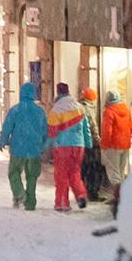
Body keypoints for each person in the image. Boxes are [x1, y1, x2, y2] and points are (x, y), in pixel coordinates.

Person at [0, 81, 47, 211]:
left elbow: (7, 127)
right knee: (32, 176)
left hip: (18, 148)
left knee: (14, 172)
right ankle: (30, 202)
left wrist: (2, 140)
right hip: (34, 150)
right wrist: (43, 145)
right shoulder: (40, 112)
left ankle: (19, 193)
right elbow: (44, 131)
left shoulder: (15, 110)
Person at [47, 82, 89, 213]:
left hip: (62, 146)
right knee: (75, 172)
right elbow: (86, 129)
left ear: (58, 93)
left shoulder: (56, 110)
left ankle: (62, 202)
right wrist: (88, 143)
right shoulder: (80, 107)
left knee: (62, 175)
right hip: (79, 146)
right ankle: (81, 195)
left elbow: (52, 132)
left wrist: (45, 147)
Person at [100, 90, 132, 196]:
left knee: (114, 173)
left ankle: (119, 197)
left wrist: (104, 145)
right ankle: (124, 194)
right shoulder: (126, 109)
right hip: (125, 144)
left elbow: (107, 131)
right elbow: (131, 127)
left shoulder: (108, 111)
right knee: (121, 171)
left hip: (113, 146)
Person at [80, 88, 106, 201]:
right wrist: (98, 140)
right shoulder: (88, 109)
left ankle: (82, 191)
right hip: (89, 143)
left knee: (84, 168)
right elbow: (92, 127)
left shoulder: (80, 107)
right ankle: (92, 192)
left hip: (81, 142)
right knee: (93, 168)